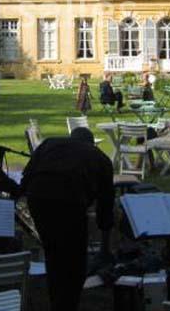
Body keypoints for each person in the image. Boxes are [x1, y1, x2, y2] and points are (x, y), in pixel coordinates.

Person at [21, 127, 114, 311]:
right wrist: (105, 247)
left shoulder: (48, 144)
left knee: (52, 250)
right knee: (75, 259)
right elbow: (106, 204)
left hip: (39, 199)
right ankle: (67, 303)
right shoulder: (100, 157)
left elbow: (27, 177)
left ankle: (56, 296)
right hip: (71, 203)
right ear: (91, 143)